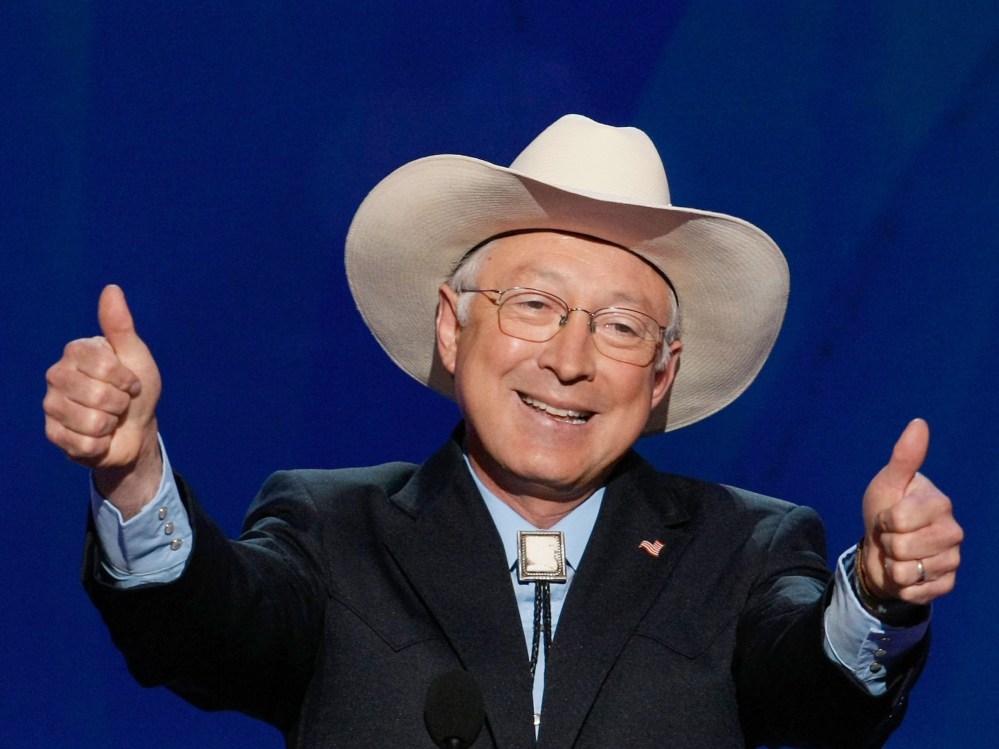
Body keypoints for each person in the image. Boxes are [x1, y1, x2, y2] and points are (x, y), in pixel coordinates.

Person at [44, 115, 962, 748]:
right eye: (534, 305)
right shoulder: (332, 530)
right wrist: (133, 477)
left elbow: (813, 691)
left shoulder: (744, 548)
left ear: (661, 374)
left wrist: (880, 598)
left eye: (620, 326)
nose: (570, 360)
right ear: (452, 326)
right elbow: (204, 630)